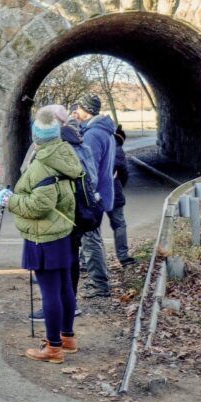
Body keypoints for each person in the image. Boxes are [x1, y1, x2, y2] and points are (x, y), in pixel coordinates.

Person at [3, 106, 83, 364]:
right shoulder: (65, 154)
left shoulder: (41, 166)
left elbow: (38, 206)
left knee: (50, 292)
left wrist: (9, 200)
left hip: (43, 237)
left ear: (36, 136)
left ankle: (53, 347)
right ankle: (67, 337)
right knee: (65, 287)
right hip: (63, 232)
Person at [73, 94, 116, 298]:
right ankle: (92, 274)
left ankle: (99, 284)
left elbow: (89, 171)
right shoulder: (105, 131)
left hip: (93, 197)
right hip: (101, 195)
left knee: (91, 240)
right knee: (90, 237)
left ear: (86, 110)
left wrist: (87, 197)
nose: (76, 111)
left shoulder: (93, 135)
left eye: (79, 108)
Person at [109, 125, 137, 267]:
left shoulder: (94, 142)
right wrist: (120, 184)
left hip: (94, 191)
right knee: (119, 224)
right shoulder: (118, 149)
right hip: (113, 191)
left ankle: (85, 261)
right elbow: (124, 172)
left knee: (91, 228)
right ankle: (123, 257)